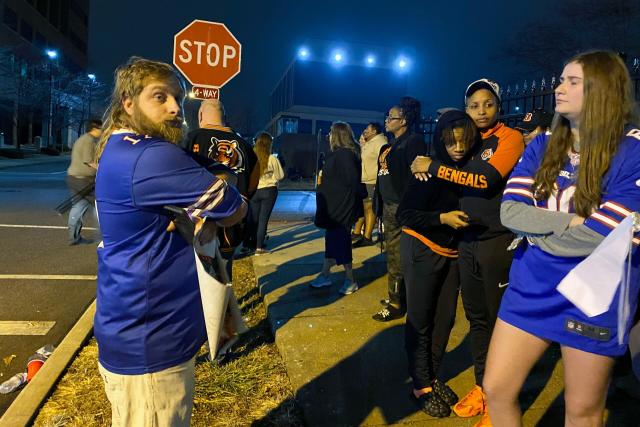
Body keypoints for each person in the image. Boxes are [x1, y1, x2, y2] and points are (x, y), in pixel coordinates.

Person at [484, 50, 640, 426]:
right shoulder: (541, 145)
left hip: (593, 296)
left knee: (583, 412)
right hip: (530, 286)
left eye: (572, 81)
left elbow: (605, 236)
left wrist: (538, 233)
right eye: (560, 79)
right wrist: (570, 222)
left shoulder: (632, 153)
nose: (558, 88)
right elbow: (510, 213)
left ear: (601, 90)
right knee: (496, 389)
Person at [94, 57, 246, 427]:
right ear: (128, 103)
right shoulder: (151, 156)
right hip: (151, 344)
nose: (176, 107)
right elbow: (234, 208)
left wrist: (185, 213)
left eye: (177, 98)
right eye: (159, 97)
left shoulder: (119, 148)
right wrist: (206, 206)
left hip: (137, 327)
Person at [411, 78, 524, 426]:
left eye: (487, 103)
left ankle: (502, 400)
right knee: (476, 320)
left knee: (500, 324)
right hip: (466, 241)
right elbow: (448, 168)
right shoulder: (468, 138)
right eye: (473, 105)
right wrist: (426, 171)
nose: (480, 111)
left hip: (496, 241)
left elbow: (484, 180)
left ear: (499, 106)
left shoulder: (509, 138)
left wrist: (432, 167)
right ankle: (483, 387)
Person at [397, 110, 479, 417]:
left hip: (452, 252)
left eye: (463, 141)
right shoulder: (427, 170)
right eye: (451, 141)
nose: (457, 147)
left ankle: (431, 375)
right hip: (422, 247)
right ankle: (420, 385)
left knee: (445, 319)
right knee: (420, 319)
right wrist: (440, 218)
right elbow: (405, 214)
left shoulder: (467, 170)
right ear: (440, 140)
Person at [186, 99, 259, 279]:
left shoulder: (190, 139)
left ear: (200, 115)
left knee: (195, 277)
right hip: (233, 222)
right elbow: (252, 186)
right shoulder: (246, 147)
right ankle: (224, 304)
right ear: (225, 118)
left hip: (194, 225)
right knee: (224, 274)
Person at [372, 96, 427, 322]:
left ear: (403, 120)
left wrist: (406, 205)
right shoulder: (391, 144)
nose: (386, 120)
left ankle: (397, 303)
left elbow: (415, 176)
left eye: (391, 117)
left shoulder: (412, 141)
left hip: (400, 207)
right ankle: (396, 295)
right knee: (393, 255)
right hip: (388, 206)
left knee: (398, 256)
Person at [311, 121, 364, 295]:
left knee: (340, 242)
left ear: (338, 135)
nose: (329, 135)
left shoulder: (345, 155)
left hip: (340, 207)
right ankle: (325, 274)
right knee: (332, 241)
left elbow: (351, 181)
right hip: (334, 206)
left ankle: (350, 279)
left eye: (331, 132)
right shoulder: (341, 154)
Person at [247, 132, 284, 255]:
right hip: (269, 190)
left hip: (254, 191)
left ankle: (251, 244)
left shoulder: (251, 157)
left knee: (254, 219)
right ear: (269, 144)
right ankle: (259, 248)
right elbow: (280, 175)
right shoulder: (272, 158)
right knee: (263, 220)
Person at [66, 118, 101, 245]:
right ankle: (105, 236)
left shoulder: (83, 139)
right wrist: (103, 169)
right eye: (101, 129)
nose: (102, 132)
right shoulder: (88, 141)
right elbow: (88, 160)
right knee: (100, 204)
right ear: (95, 128)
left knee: (78, 206)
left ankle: (73, 237)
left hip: (74, 178)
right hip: (83, 180)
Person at [352, 122, 387, 247]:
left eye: (367, 128)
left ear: (374, 131)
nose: (365, 130)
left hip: (372, 180)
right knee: (364, 207)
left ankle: (367, 237)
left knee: (370, 208)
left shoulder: (380, 142)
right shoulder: (370, 142)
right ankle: (359, 233)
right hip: (365, 180)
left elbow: (384, 160)